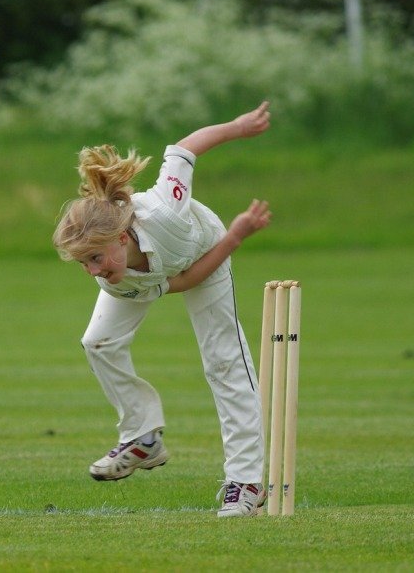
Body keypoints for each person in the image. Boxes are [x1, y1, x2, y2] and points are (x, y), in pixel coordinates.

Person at [53, 101, 272, 517]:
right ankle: (143, 437)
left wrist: (238, 127)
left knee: (224, 362)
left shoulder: (164, 212)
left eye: (95, 258)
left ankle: (245, 482)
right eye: (84, 263)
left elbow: (184, 149)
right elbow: (178, 284)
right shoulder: (112, 278)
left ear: (120, 237)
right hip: (163, 273)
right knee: (98, 342)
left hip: (208, 247)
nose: (91, 272)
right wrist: (106, 269)